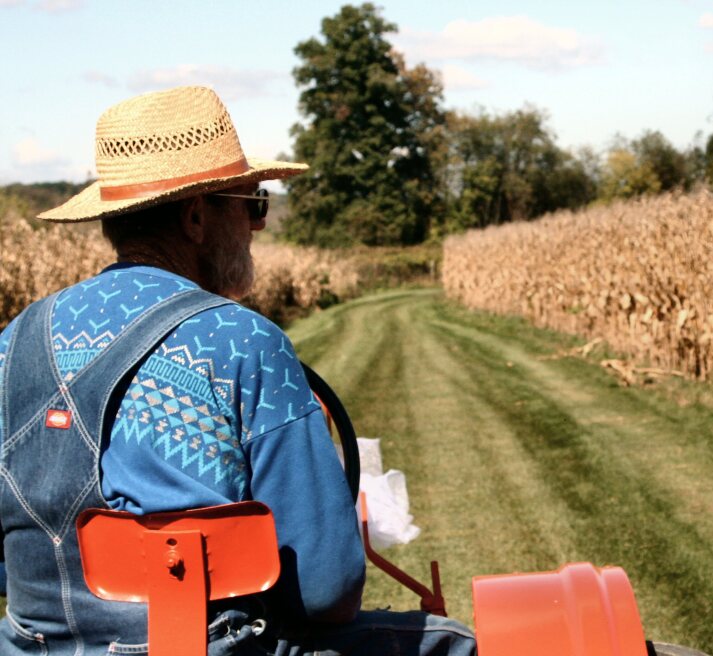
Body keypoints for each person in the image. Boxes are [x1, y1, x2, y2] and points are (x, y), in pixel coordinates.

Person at [0, 86, 476, 655]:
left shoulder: (13, 344)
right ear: (197, 216)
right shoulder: (243, 343)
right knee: (456, 643)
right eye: (253, 205)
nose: (258, 226)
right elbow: (328, 591)